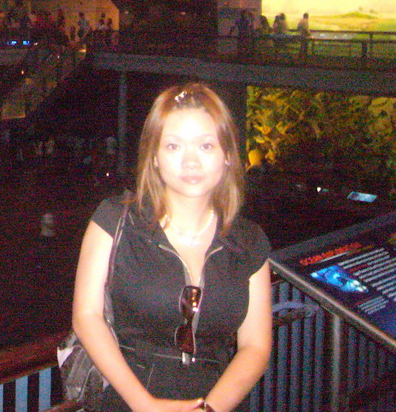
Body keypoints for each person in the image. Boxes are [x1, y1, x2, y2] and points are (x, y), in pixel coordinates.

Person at [72, 82, 272, 412]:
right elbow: (87, 317)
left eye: (206, 146)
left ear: (227, 156)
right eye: (174, 146)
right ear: (154, 158)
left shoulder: (249, 242)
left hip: (218, 400)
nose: (191, 162)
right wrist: (144, 405)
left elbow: (256, 346)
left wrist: (209, 409)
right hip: (128, 396)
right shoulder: (114, 221)